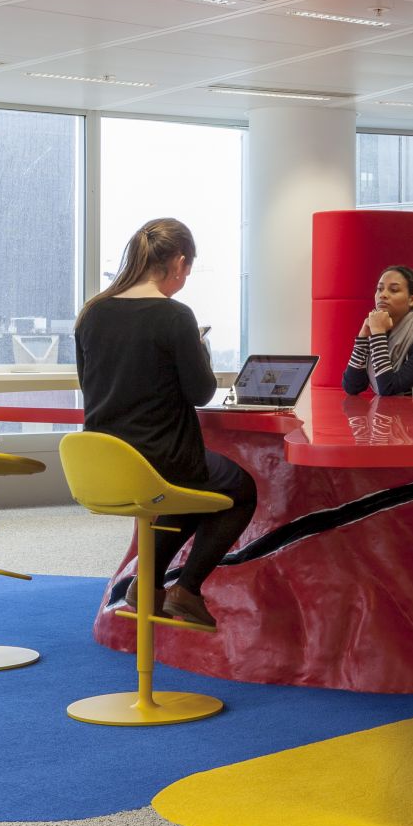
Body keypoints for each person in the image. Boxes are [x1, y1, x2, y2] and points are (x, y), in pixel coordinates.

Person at [74, 218, 256, 630]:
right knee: (239, 489)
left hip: (105, 463)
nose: (185, 278)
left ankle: (147, 584)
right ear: (178, 262)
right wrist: (200, 348)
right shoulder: (175, 316)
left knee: (192, 493)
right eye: (188, 269)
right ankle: (186, 590)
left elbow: (90, 384)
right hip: (162, 459)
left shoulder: (92, 312)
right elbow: (201, 392)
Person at [342, 265, 413, 398]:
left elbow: (389, 388)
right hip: (387, 410)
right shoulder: (379, 330)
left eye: (394, 290)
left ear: (412, 299)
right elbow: (352, 386)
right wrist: (362, 338)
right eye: (380, 289)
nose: (383, 295)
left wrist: (378, 334)